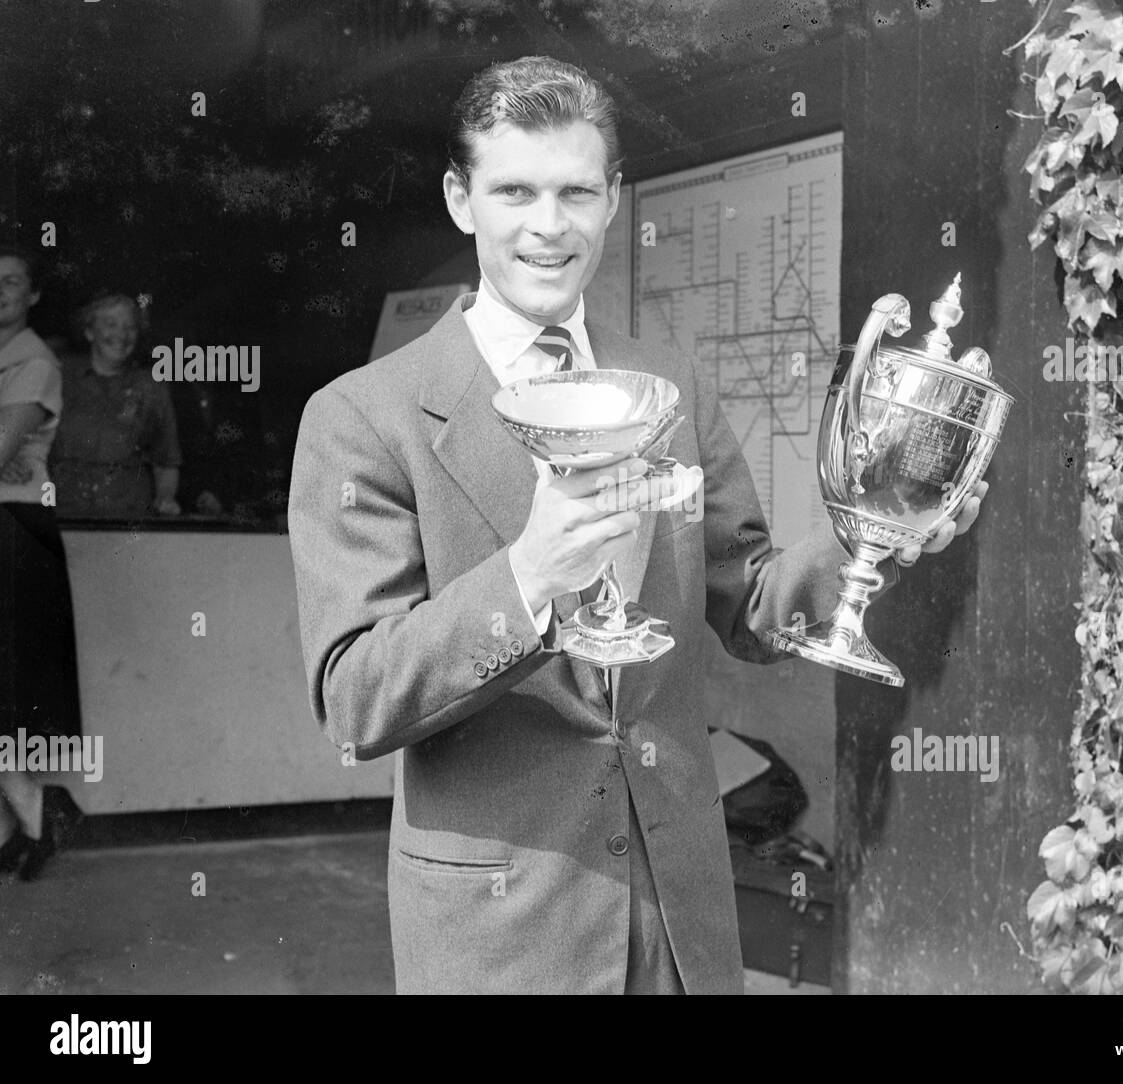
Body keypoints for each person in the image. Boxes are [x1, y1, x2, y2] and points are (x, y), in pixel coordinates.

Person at [288, 56, 986, 994]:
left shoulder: (671, 385)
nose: (549, 225)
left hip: (678, 923)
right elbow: (355, 699)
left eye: (577, 190)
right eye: (515, 191)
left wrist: (881, 532)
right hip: (500, 937)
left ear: (614, 199)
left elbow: (752, 605)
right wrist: (528, 578)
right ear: (461, 200)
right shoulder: (365, 415)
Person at [0, 244, 83, 881]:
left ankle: (37, 819)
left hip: (14, 534)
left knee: (14, 690)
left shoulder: (34, 361)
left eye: (13, 281)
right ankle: (24, 824)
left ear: (31, 294)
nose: (0, 289)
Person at [49, 292, 182, 518]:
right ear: (90, 331)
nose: (121, 334)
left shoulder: (151, 386)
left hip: (128, 519)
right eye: (111, 324)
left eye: (130, 327)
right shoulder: (57, 376)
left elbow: (166, 460)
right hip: (62, 516)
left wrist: (166, 500)